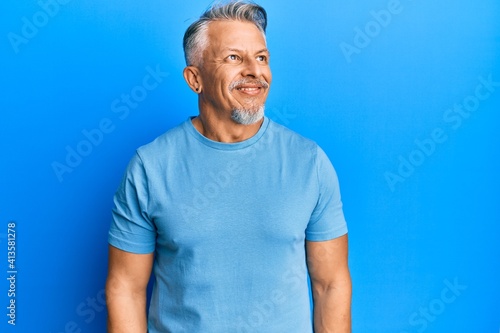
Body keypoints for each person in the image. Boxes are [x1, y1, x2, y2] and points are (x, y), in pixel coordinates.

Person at [105, 1, 351, 332]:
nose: (254, 71)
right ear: (195, 79)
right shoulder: (149, 168)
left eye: (261, 57)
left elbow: (331, 285)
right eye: (234, 57)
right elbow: (125, 289)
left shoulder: (309, 162)